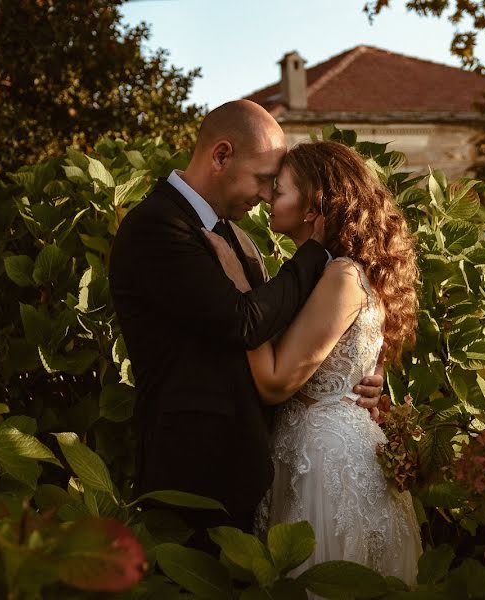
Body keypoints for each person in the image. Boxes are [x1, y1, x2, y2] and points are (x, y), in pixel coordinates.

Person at [107, 101, 385, 548]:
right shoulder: (156, 228)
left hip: (258, 466)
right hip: (193, 469)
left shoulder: (238, 238)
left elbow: (289, 328)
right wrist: (313, 250)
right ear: (221, 156)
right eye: (262, 179)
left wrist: (357, 376)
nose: (264, 195)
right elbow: (244, 322)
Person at [204, 140, 422, 582]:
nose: (267, 198)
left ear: (312, 207)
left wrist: (239, 293)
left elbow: (275, 382)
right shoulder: (334, 271)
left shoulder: (342, 275)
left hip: (326, 461)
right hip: (311, 448)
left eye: (278, 189)